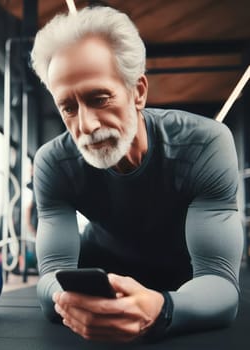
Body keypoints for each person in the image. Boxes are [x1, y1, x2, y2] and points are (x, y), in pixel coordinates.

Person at [29, 5, 244, 343]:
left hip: (185, 283)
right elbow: (49, 278)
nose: (86, 126)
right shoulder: (53, 163)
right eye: (68, 108)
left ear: (138, 91)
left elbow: (221, 285)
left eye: (99, 98)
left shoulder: (204, 144)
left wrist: (162, 309)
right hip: (104, 272)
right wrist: (73, 302)